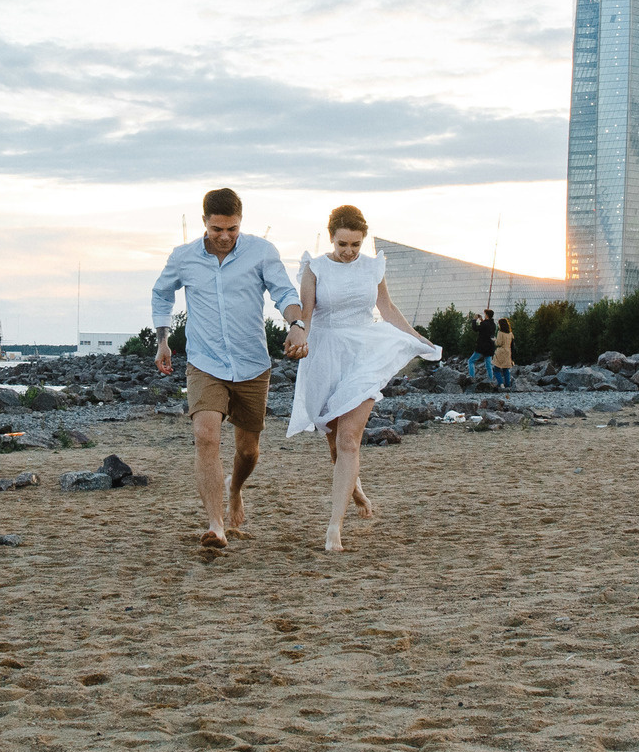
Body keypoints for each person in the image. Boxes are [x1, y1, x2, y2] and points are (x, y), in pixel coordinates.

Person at [151, 187, 306, 549]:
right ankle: (216, 525)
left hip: (252, 364)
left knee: (248, 450)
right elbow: (161, 293)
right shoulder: (183, 257)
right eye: (217, 229)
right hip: (205, 362)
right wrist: (163, 338)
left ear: (240, 222)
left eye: (232, 229)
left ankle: (235, 489)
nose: (224, 237)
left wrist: (296, 325)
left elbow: (284, 293)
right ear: (205, 222)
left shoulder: (261, 252)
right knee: (205, 436)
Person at [288, 205, 438, 552]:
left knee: (349, 441)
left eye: (356, 244)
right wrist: (300, 339)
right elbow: (306, 312)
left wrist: (418, 338)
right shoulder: (315, 267)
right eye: (343, 244)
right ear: (331, 237)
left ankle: (333, 528)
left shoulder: (373, 267)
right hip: (324, 353)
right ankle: (355, 491)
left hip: (364, 353)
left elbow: (386, 309)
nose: (349, 251)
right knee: (333, 440)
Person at [469, 308, 498, 381]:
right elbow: (486, 327)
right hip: (490, 346)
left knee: (471, 361)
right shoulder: (493, 325)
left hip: (481, 346)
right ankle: (491, 379)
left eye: (485, 314)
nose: (484, 315)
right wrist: (482, 320)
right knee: (488, 364)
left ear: (487, 315)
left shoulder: (485, 324)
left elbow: (475, 328)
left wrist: (474, 320)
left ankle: (472, 378)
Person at [492, 316, 515, 390]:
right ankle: (507, 385)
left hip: (501, 352)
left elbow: (498, 343)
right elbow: (512, 344)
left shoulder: (500, 333)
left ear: (501, 325)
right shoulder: (510, 333)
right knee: (506, 369)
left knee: (496, 369)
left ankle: (501, 384)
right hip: (508, 351)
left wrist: (494, 340)